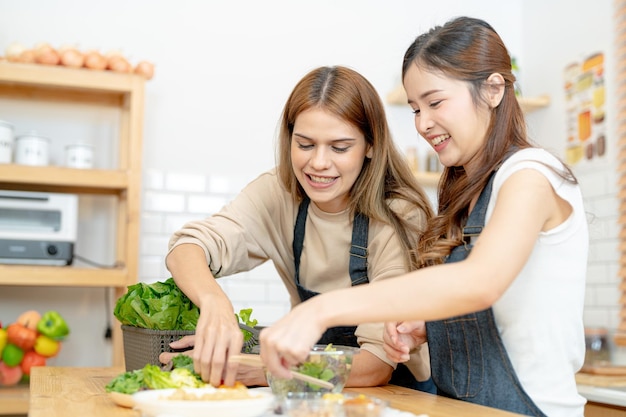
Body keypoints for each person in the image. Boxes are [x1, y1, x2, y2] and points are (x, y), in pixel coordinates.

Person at [259, 16, 588, 417]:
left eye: (435, 102)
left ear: (493, 89)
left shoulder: (532, 175)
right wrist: (426, 328)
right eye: (416, 108)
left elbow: (480, 282)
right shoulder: (470, 191)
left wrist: (320, 310)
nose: (422, 123)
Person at [161, 65, 435, 391]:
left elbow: (375, 367)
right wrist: (215, 304)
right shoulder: (279, 193)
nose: (318, 162)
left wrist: (265, 371)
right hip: (312, 386)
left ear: (371, 146)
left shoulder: (398, 215)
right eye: (305, 144)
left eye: (339, 147)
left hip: (394, 392)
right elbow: (186, 248)